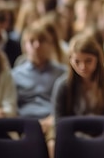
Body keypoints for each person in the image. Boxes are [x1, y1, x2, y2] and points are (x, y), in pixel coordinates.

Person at [51, 31, 104, 146]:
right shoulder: (63, 85)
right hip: (73, 139)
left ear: (98, 59)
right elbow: (59, 123)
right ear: (70, 60)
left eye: (88, 61)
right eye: (77, 61)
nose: (82, 67)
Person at [12, 23, 66, 158]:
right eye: (32, 41)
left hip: (52, 121)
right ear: (25, 46)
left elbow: (66, 105)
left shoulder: (62, 73)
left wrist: (51, 120)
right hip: (24, 123)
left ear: (51, 45)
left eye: (41, 41)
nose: (37, 45)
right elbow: (12, 105)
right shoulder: (15, 75)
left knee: (53, 144)